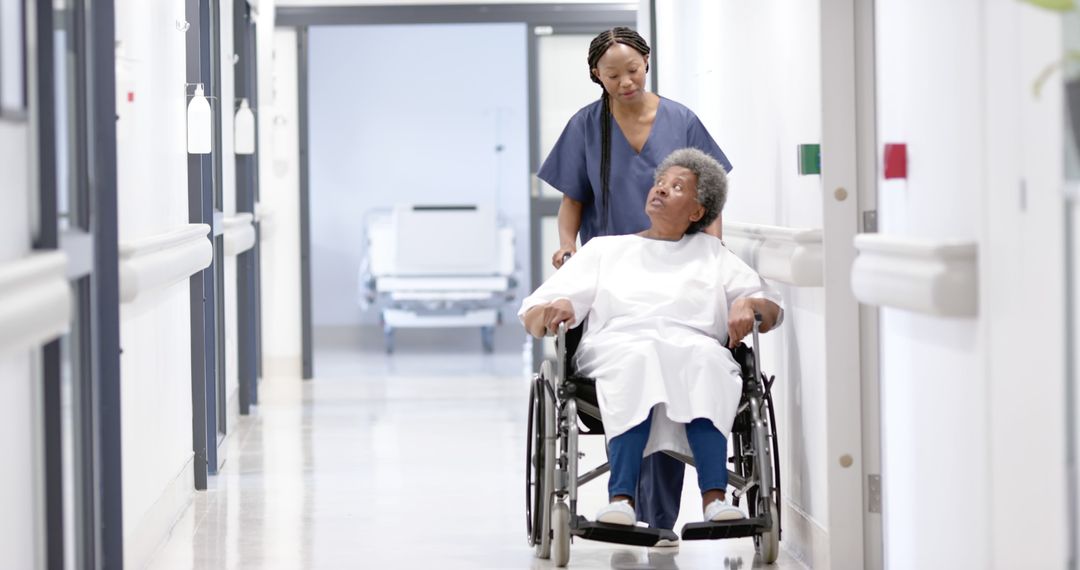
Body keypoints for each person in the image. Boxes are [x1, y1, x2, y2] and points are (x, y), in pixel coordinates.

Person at [537, 26, 735, 535]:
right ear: (596, 77)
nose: (624, 81)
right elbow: (573, 200)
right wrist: (568, 248)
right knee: (636, 359)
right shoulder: (587, 126)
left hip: (678, 270)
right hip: (617, 279)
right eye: (611, 75)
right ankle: (629, 504)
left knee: (684, 355)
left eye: (632, 70)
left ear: (646, 64)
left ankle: (659, 517)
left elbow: (707, 195)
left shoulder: (680, 120)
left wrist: (709, 250)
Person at [520, 148, 782, 529]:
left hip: (693, 348)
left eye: (676, 187)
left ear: (696, 212)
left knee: (708, 361)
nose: (659, 190)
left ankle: (715, 499)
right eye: (659, 183)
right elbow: (533, 314)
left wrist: (749, 304)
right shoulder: (605, 250)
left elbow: (772, 310)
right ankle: (621, 499)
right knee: (641, 356)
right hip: (617, 348)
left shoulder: (711, 253)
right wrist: (551, 311)